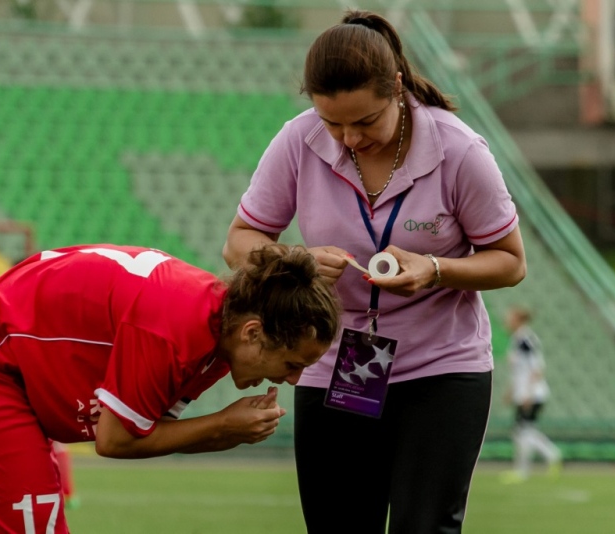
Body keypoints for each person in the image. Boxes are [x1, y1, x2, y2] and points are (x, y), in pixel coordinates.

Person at [223, 9, 526, 533]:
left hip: (440, 366)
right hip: (337, 363)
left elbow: (510, 261)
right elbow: (240, 242)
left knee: (424, 526)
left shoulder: (460, 152)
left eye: (365, 122)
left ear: (398, 90)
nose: (348, 138)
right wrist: (291, 259)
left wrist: (434, 269)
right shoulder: (297, 142)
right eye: (331, 122)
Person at [0, 243, 340, 534]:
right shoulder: (173, 328)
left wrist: (228, 431)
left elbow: (150, 432)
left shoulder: (216, 338)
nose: (294, 380)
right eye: (292, 364)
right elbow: (115, 441)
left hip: (6, 370)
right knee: (32, 517)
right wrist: (222, 426)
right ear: (253, 333)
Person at [501, 306, 562, 484]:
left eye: (509, 318)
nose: (506, 322)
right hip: (524, 393)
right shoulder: (517, 339)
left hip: (533, 394)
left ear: (518, 320)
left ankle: (524, 470)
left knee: (523, 432)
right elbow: (519, 371)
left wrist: (527, 393)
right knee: (524, 431)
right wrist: (511, 391)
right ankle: (551, 456)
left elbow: (537, 368)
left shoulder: (526, 340)